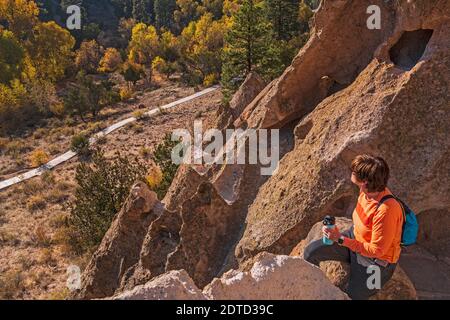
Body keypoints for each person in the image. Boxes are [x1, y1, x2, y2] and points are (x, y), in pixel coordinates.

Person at [303, 154, 404, 299]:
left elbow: (376, 251)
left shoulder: (386, 211)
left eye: (355, 173)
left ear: (365, 182)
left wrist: (340, 239)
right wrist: (338, 235)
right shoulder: (366, 193)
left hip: (375, 263)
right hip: (354, 239)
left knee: (351, 296)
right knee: (311, 253)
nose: (351, 174)